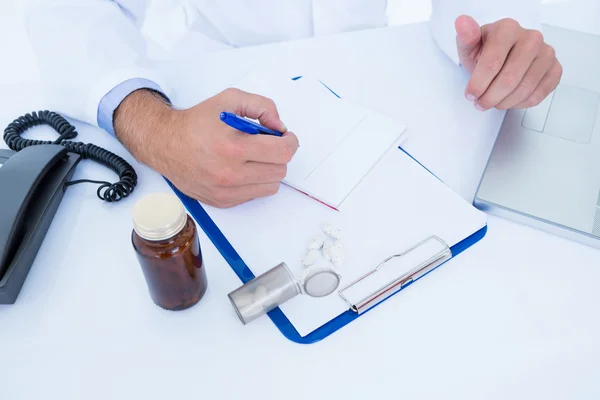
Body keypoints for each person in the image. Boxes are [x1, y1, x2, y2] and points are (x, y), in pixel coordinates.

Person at [25, 0, 562, 208]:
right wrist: (154, 127)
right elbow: (67, 12)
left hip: (383, 82)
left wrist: (496, 35)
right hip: (210, 100)